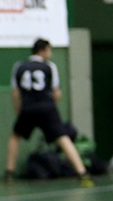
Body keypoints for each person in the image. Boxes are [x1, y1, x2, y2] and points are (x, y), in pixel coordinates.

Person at [6, 39, 94, 186]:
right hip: (46, 107)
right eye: (49, 50)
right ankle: (82, 173)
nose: (50, 53)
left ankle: (9, 173)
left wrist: (18, 110)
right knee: (63, 138)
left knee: (15, 137)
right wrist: (52, 108)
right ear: (43, 50)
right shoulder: (49, 67)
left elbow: (15, 92)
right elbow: (56, 92)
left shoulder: (19, 66)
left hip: (27, 107)